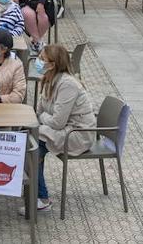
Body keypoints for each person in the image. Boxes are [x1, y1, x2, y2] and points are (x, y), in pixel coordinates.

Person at [33, 43, 97, 212]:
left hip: (77, 134)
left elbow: (56, 122)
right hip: (63, 129)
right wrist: (40, 117)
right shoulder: (48, 78)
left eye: (41, 59)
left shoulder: (68, 84)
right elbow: (39, 110)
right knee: (29, 139)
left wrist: (41, 117)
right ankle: (34, 190)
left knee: (33, 145)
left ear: (53, 64)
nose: (37, 62)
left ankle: (42, 197)